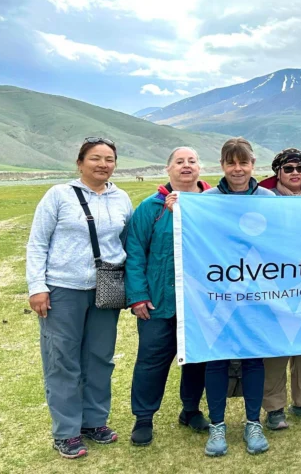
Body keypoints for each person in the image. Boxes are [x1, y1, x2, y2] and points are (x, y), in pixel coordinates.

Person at [26, 137, 133, 459]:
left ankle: (94, 421)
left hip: (108, 284)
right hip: (63, 288)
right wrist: (37, 286)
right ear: (80, 162)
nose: (103, 164)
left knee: (100, 357)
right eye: (95, 158)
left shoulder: (121, 198)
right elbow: (37, 243)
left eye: (109, 159)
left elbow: (127, 241)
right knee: (63, 360)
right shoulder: (58, 195)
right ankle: (67, 431)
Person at [126, 147, 211, 447]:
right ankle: (144, 418)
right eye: (179, 162)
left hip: (201, 300)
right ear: (168, 169)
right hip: (159, 301)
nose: (186, 166)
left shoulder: (213, 204)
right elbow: (135, 253)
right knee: (152, 359)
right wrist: (137, 296)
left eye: (191, 161)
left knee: (197, 359)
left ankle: (190, 410)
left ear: (200, 168)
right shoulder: (151, 207)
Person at [203, 138, 274, 456]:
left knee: (252, 357)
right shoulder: (207, 200)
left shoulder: (267, 198)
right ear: (222, 165)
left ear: (252, 165)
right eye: (231, 163)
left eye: (243, 162)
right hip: (216, 292)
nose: (237, 169)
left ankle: (252, 422)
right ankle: (216, 426)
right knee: (216, 358)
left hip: (256, 292)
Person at [257, 148, 301, 430]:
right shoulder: (261, 197)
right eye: (288, 168)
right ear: (277, 172)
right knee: (277, 343)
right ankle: (274, 406)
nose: (295, 173)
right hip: (273, 277)